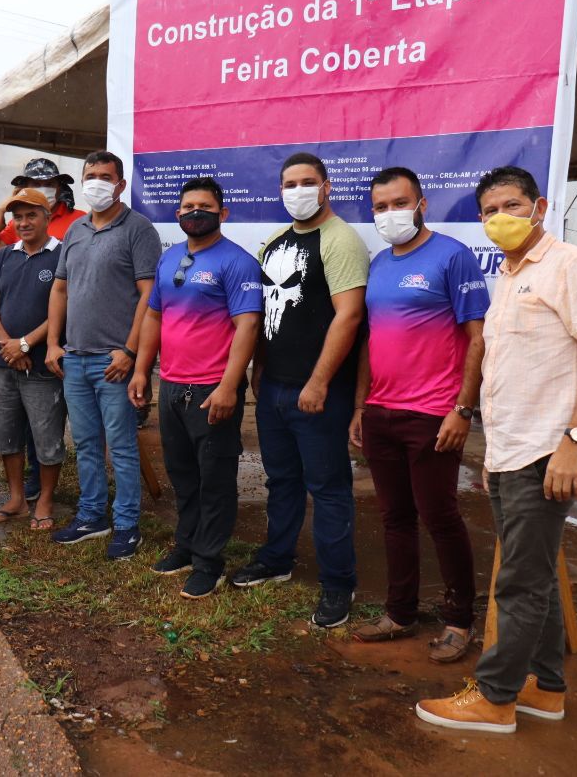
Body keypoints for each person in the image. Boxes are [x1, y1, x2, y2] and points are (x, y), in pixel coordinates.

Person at [416, 166, 577, 733]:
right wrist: (492, 456)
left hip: (548, 450)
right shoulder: (507, 278)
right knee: (537, 576)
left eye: (511, 205)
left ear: (540, 206)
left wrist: (575, 441)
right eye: (488, 211)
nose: (499, 218)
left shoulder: (573, 267)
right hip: (510, 452)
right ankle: (546, 688)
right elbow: (510, 374)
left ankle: (495, 696)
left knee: (519, 582)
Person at [347, 168, 489, 660]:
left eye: (399, 203)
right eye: (380, 206)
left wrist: (463, 410)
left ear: (422, 203)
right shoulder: (381, 263)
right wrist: (362, 405)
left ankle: (458, 619)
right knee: (395, 519)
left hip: (433, 414)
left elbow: (478, 339)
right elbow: (370, 340)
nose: (389, 213)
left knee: (440, 517)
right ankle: (400, 612)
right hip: (382, 411)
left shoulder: (452, 256)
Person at [233, 152, 369, 630]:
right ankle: (277, 559)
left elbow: (349, 316)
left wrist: (319, 381)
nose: (297, 191)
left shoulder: (341, 241)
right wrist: (259, 366)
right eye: (289, 183)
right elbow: (270, 312)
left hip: (319, 393)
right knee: (281, 480)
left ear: (326, 187)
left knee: (328, 489)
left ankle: (338, 583)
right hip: (274, 388)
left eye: (307, 182)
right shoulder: (275, 242)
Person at [129, 177, 262, 599]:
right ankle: (186, 546)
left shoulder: (237, 262)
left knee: (215, 478)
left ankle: (209, 562)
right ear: (177, 213)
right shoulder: (170, 259)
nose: (194, 212)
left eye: (204, 206)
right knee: (183, 475)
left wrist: (227, 386)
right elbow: (154, 319)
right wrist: (140, 371)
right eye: (188, 207)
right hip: (171, 385)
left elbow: (248, 325)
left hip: (212, 389)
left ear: (223, 213)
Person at [46, 151, 160, 559]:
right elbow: (60, 288)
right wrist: (53, 343)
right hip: (74, 357)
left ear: (121, 184)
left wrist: (131, 351)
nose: (97, 182)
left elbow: (150, 295)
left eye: (105, 176)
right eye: (90, 175)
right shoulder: (75, 229)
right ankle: (92, 515)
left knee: (122, 445)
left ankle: (127, 524)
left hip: (114, 362)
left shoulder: (138, 229)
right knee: (87, 443)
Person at [0, 190, 66, 529]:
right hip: (6, 363)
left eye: (32, 215)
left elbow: (63, 307)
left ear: (47, 217)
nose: (24, 222)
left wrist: (26, 345)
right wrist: (8, 345)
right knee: (6, 435)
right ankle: (16, 498)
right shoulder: (4, 255)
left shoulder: (61, 254)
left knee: (46, 436)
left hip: (44, 364)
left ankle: (44, 500)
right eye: (19, 216)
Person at [0, 158, 83, 252]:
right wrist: (0, 211)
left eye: (49, 184)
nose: (43, 190)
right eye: (36, 184)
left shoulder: (80, 219)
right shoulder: (19, 224)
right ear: (25, 188)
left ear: (59, 188)